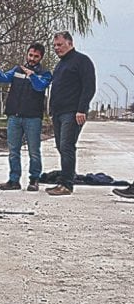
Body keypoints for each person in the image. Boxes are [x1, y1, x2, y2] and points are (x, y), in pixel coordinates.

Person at [0, 43, 52, 192]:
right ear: (27, 54)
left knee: (34, 151)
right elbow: (4, 78)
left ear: (41, 57)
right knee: (13, 150)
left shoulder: (45, 74)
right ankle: (14, 180)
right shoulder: (17, 70)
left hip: (33, 118)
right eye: (30, 55)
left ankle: (34, 179)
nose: (32, 59)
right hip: (14, 116)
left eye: (36, 56)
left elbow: (40, 87)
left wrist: (32, 75)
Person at [45, 31, 96, 196]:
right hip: (58, 113)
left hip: (72, 112)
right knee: (61, 146)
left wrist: (81, 109)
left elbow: (89, 86)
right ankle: (65, 177)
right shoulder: (60, 65)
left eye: (59, 45)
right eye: (54, 45)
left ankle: (66, 184)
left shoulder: (82, 61)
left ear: (69, 43)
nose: (56, 48)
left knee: (67, 146)